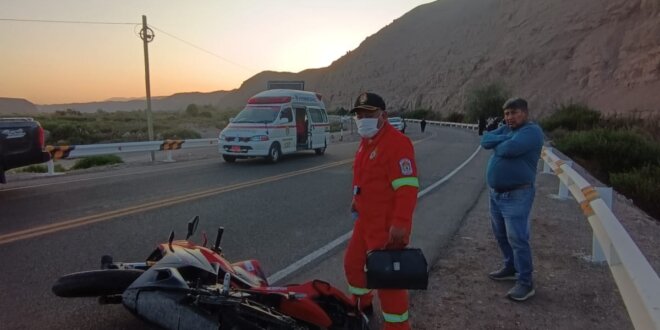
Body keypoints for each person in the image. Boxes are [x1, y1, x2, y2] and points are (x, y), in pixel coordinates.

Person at [344, 92, 419, 329]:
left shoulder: (397, 143)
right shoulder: (366, 142)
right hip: (365, 222)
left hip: (387, 227)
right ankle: (362, 306)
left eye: (368, 114)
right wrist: (356, 200)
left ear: (383, 116)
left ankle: (397, 326)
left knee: (388, 283)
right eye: (359, 114)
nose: (362, 118)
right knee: (352, 265)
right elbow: (366, 178)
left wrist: (401, 224)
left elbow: (407, 188)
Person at [480, 97, 544, 301]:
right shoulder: (508, 129)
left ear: (525, 112)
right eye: (506, 114)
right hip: (496, 194)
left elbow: (508, 149)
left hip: (517, 194)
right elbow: (485, 140)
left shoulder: (531, 132)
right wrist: (503, 138)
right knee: (500, 234)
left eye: (514, 113)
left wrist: (501, 141)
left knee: (518, 238)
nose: (509, 117)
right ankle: (510, 266)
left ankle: (526, 282)